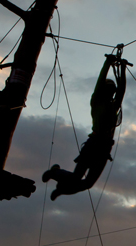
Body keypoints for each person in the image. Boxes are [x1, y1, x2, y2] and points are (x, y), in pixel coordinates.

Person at [43, 48, 129, 199]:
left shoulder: (113, 106)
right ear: (104, 90)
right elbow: (100, 81)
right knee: (76, 177)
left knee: (88, 183)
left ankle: (62, 189)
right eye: (109, 89)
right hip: (94, 143)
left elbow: (121, 91)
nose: (112, 92)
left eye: (112, 90)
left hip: (104, 147)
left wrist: (122, 68)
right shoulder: (96, 101)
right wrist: (108, 63)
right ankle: (54, 172)